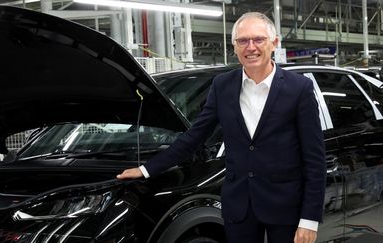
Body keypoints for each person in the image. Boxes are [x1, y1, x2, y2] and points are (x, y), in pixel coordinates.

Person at [117, 12, 326, 243]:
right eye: (242, 41)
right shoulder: (222, 85)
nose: (251, 47)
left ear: (274, 43)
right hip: (239, 207)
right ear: (234, 46)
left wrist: (309, 219)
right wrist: (146, 169)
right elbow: (195, 136)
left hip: (286, 206)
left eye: (258, 39)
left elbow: (314, 159)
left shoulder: (299, 88)